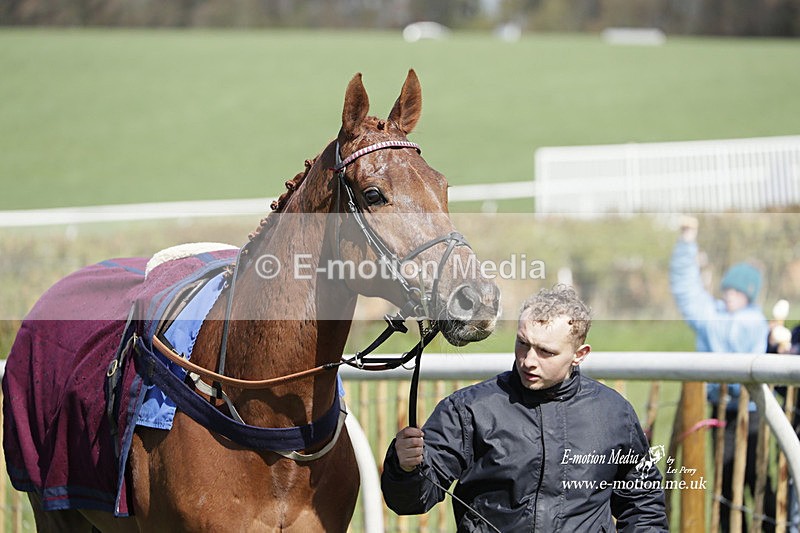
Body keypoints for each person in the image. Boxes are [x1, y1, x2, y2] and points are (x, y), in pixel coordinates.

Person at [381, 285, 669, 532]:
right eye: (522, 344)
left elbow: (643, 505)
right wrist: (406, 468)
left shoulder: (614, 414)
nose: (529, 360)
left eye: (546, 351)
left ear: (579, 355)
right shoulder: (469, 410)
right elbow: (411, 501)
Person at [669, 216, 775, 532]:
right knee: (726, 481)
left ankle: (772, 526)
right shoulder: (712, 315)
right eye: (727, 288)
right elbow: (686, 289)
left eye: (738, 291)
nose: (730, 294)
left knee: (757, 479)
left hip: (752, 412)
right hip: (721, 410)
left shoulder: (751, 321)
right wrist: (687, 243)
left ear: (750, 295)